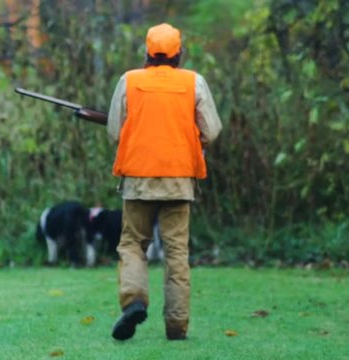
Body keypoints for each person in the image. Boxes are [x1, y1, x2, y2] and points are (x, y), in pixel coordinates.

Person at [107, 23, 222, 341]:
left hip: (139, 180)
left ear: (147, 52)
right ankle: (176, 325)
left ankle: (134, 302)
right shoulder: (194, 82)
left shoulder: (129, 80)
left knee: (132, 244)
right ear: (178, 53)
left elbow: (115, 131)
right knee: (176, 251)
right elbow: (211, 131)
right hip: (179, 180)